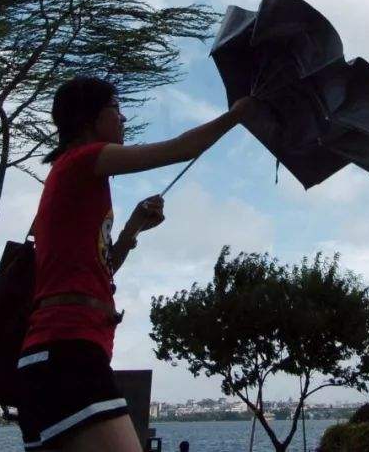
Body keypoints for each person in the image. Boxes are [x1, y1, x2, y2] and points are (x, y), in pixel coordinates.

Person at [15, 76, 255, 452]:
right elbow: (180, 148)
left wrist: (133, 227)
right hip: (68, 353)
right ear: (88, 119)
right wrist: (236, 116)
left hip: (54, 358)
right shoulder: (82, 160)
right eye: (116, 109)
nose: (123, 119)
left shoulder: (78, 181)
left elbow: (100, 270)